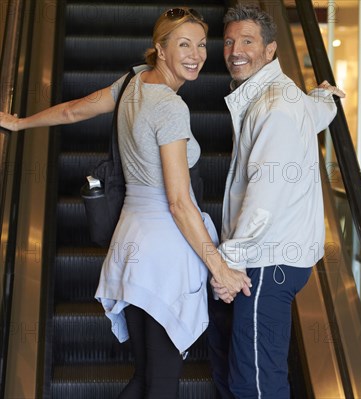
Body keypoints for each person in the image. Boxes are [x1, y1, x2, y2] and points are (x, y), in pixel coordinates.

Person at [0, 8, 251, 398]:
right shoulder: (170, 107)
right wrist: (220, 268)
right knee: (162, 383)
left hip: (130, 244)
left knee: (144, 376)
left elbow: (74, 109)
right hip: (164, 253)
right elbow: (180, 202)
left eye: (201, 45)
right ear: (160, 49)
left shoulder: (133, 82)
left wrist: (21, 123)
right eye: (183, 44)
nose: (196, 54)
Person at [207, 4, 344, 398]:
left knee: (256, 383)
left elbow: (263, 201)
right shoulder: (282, 98)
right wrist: (325, 100)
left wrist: (226, 266)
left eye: (247, 41)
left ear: (270, 50)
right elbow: (310, 112)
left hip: (267, 260)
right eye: (229, 40)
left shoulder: (275, 107)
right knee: (244, 370)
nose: (235, 50)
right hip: (273, 256)